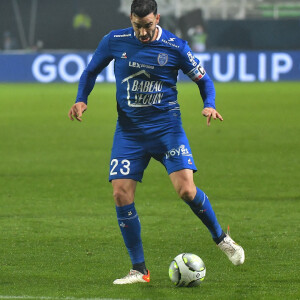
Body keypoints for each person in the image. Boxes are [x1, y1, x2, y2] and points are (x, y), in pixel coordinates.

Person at [68, 0, 245, 285]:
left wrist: (209, 104)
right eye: (137, 26)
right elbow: (90, 72)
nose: (142, 33)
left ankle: (222, 239)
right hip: (129, 133)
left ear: (157, 19)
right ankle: (139, 270)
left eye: (148, 25)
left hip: (167, 131)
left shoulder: (175, 46)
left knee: (186, 191)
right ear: (131, 20)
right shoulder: (114, 40)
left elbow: (204, 80)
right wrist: (81, 99)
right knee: (120, 195)